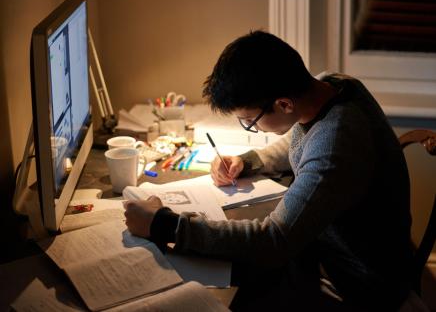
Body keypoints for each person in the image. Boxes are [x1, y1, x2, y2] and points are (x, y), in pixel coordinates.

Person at [124, 31, 414, 311]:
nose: (252, 128)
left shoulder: (335, 143)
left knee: (220, 292)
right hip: (331, 251)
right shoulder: (330, 85)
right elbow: (301, 138)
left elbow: (275, 241)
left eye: (250, 121)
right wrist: (248, 161)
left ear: (284, 103)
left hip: (355, 282)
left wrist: (165, 225)